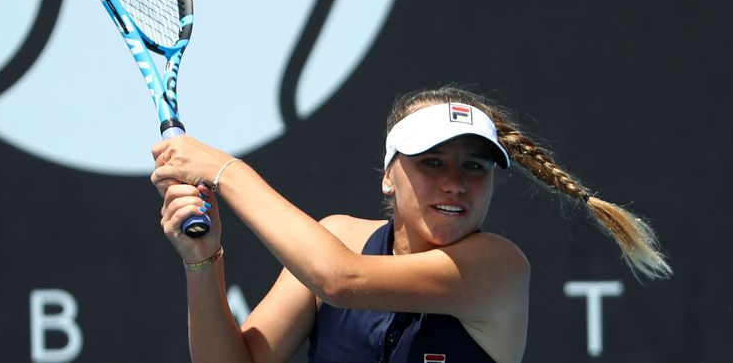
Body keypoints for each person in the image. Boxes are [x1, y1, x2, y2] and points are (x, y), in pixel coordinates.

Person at [150, 85, 671, 363]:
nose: (454, 182)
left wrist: (227, 171)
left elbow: (341, 281)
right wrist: (202, 261)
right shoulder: (339, 237)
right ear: (387, 177)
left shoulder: (497, 268)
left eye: (474, 166)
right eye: (431, 162)